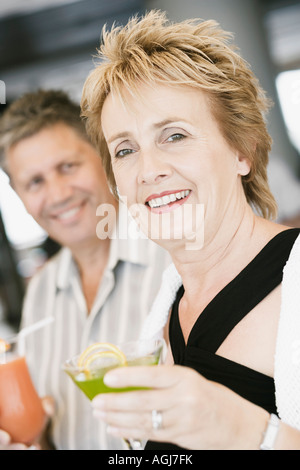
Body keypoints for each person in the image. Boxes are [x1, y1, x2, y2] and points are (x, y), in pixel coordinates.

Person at [80, 10, 300, 449]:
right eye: (125, 150)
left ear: (242, 151)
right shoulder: (160, 315)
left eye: (174, 136)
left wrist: (245, 431)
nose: (148, 170)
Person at [0, 89, 170, 450]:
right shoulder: (42, 291)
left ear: (103, 156)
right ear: (19, 196)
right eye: (35, 182)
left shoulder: (173, 254)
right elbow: (51, 430)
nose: (58, 193)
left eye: (67, 167)